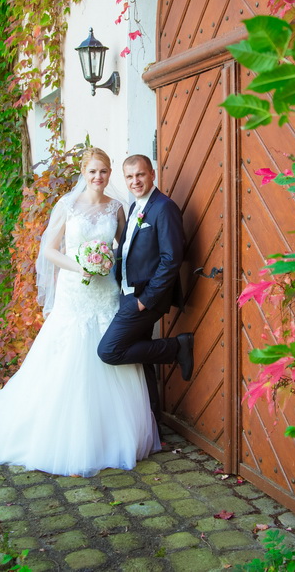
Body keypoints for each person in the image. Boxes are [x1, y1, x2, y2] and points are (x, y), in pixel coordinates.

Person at [0, 148, 160, 477]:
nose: (98, 177)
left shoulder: (118, 208)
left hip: (104, 291)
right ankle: (68, 436)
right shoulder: (66, 206)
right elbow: (48, 250)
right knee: (68, 356)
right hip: (74, 291)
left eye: (104, 172)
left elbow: (124, 249)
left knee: (109, 351)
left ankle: (112, 435)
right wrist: (80, 265)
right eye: (93, 171)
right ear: (83, 171)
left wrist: (108, 265)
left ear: (109, 174)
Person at [97, 154, 194, 423]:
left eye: (140, 175)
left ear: (152, 174)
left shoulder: (164, 208)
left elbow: (171, 258)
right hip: (128, 292)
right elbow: (128, 249)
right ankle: (153, 423)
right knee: (142, 357)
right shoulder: (134, 207)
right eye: (129, 177)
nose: (135, 181)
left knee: (109, 351)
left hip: (145, 297)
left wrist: (146, 299)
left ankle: (177, 347)